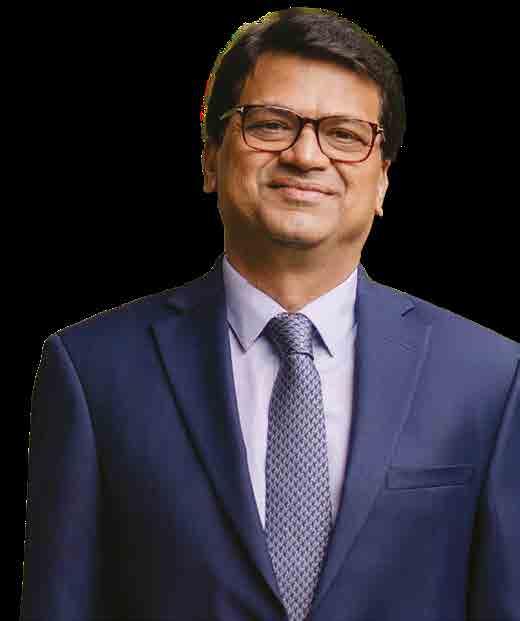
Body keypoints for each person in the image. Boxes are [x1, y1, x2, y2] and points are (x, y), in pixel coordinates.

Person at [20, 8, 519, 621]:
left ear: (383, 181)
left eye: (344, 135)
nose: (306, 155)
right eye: (271, 125)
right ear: (210, 158)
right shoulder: (92, 371)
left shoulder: (488, 378)